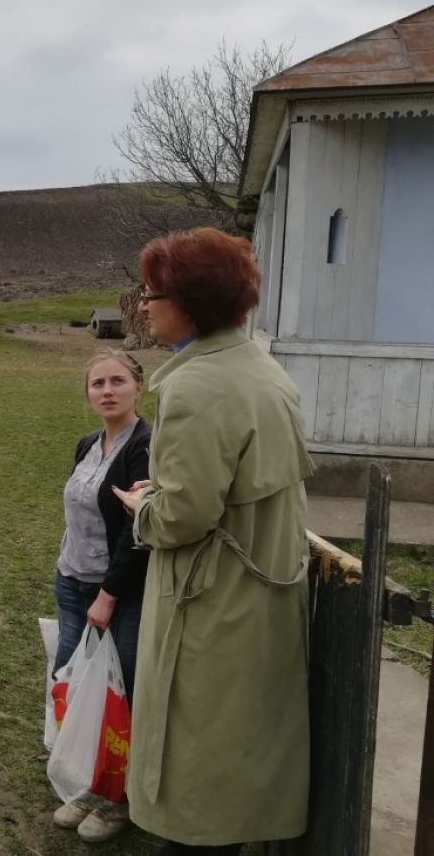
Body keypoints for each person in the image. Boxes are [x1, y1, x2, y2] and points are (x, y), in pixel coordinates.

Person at [113, 228, 313, 854]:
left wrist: (145, 506)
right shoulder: (261, 368)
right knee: (239, 753)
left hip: (212, 604)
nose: (145, 306)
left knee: (198, 767)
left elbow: (185, 518)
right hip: (258, 599)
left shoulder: (196, 386)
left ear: (191, 301)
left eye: (153, 294)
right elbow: (230, 486)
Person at [50, 350, 151, 844]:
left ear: (138, 387)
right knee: (76, 685)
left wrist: (108, 595)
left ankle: (120, 799)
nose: (107, 391)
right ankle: (89, 784)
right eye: (97, 384)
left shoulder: (146, 447)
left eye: (117, 381)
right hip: (72, 581)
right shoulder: (87, 443)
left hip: (119, 591)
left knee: (119, 691)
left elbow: (139, 532)